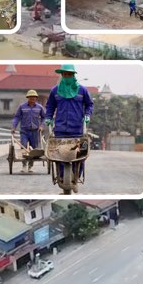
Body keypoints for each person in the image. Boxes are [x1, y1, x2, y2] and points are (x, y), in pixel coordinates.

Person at [45, 64, 94, 192]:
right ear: (62, 75)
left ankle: (76, 177)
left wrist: (87, 115)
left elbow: (89, 105)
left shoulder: (82, 90)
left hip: (77, 129)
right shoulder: (55, 91)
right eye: (65, 74)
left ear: (73, 75)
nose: (67, 76)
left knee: (80, 155)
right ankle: (62, 177)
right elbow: (50, 106)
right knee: (59, 156)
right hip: (60, 129)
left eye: (70, 74)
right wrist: (48, 117)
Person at [12, 90, 44, 173]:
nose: (32, 98)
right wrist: (14, 127)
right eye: (30, 97)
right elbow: (17, 117)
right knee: (24, 147)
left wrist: (41, 126)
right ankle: (24, 165)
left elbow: (44, 118)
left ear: (36, 98)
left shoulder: (39, 107)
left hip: (35, 131)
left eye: (34, 97)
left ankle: (30, 166)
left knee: (34, 150)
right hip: (24, 131)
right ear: (28, 98)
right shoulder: (22, 107)